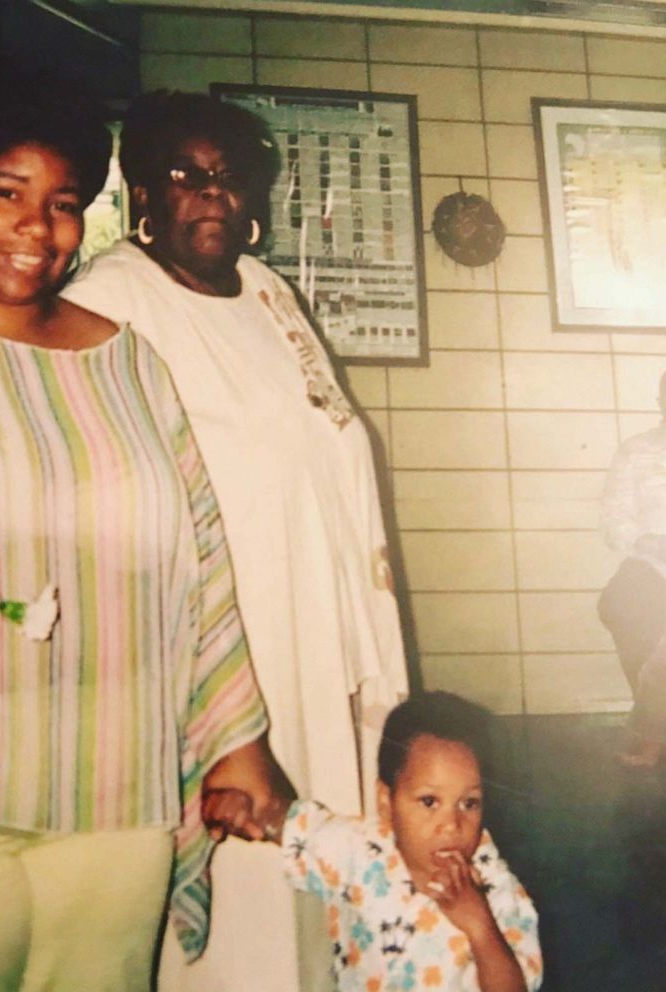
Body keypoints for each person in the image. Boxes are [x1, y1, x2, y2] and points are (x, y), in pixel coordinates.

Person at [0, 73, 292, 992]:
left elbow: (200, 551)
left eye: (62, 205)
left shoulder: (125, 359)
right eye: (5, 193)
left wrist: (235, 739)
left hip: (115, 789)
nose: (36, 228)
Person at [62, 89, 409, 991]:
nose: (210, 195)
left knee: (319, 866)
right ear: (141, 189)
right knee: (241, 891)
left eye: (228, 177)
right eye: (183, 175)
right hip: (220, 651)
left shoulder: (268, 292)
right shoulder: (109, 302)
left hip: (312, 630)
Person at [204, 691, 543, 992]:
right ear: (386, 802)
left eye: (468, 803)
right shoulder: (358, 851)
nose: (451, 826)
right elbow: (289, 825)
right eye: (429, 802)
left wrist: (480, 926)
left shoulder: (494, 888)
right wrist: (240, 806)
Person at [599, 371, 666, 768]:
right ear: (661, 400)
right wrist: (646, 542)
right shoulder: (636, 451)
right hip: (654, 563)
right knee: (620, 602)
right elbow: (614, 518)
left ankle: (652, 731)